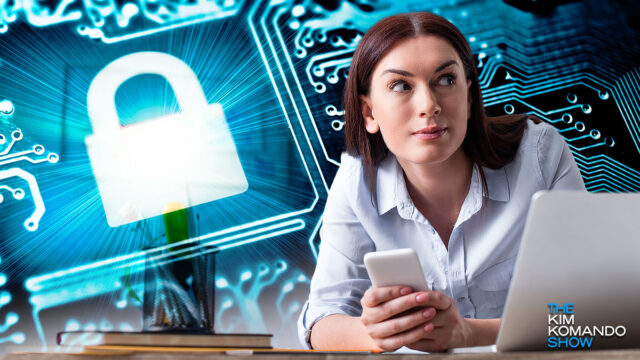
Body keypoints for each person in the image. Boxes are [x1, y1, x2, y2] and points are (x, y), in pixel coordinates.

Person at [297, 12, 585, 352]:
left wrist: (470, 334)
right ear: (369, 113)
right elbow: (321, 319)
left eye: (446, 80)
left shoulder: (539, 155)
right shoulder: (357, 182)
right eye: (401, 85)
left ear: (468, 97)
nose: (429, 105)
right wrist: (376, 333)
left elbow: (595, 312)